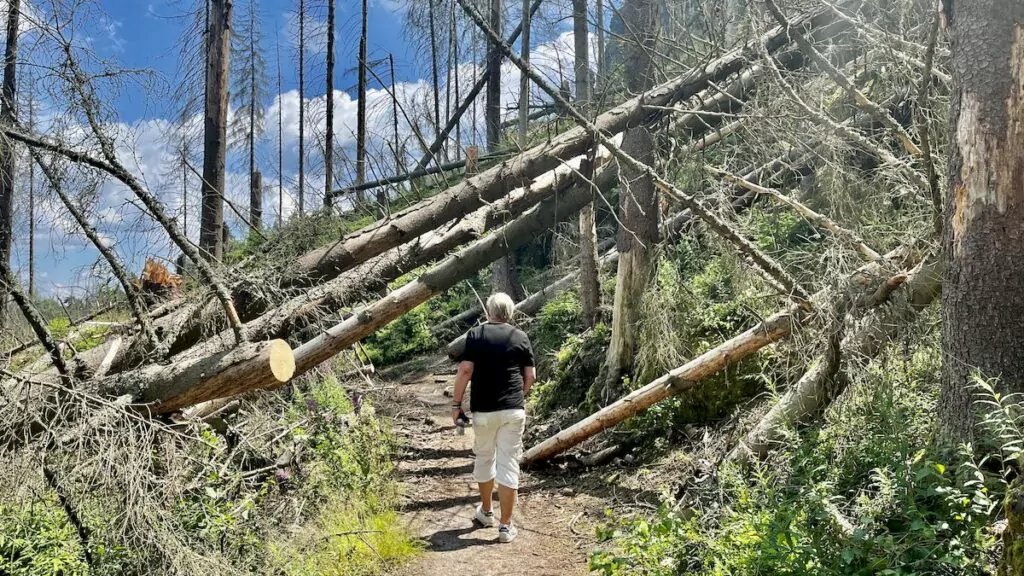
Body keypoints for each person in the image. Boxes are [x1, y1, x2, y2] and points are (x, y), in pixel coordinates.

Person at [451, 292, 536, 543]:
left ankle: (486, 512)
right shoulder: (520, 337)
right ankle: (506, 526)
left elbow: (465, 370)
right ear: (510, 313)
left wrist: (456, 404)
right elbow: (530, 376)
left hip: (484, 411)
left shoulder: (476, 335)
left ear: (489, 312)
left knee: (485, 458)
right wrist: (516, 396)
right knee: (508, 463)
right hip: (512, 411)